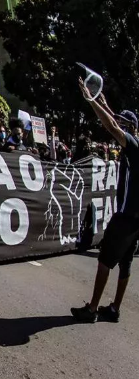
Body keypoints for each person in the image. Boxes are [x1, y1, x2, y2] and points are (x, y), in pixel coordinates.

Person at [71, 79, 139, 323]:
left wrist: (90, 100)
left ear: (130, 128)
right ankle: (114, 309)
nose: (119, 125)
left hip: (125, 216)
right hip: (136, 219)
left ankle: (91, 309)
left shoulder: (133, 144)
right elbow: (115, 121)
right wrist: (104, 103)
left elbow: (112, 127)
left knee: (104, 260)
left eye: (124, 124)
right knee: (126, 262)